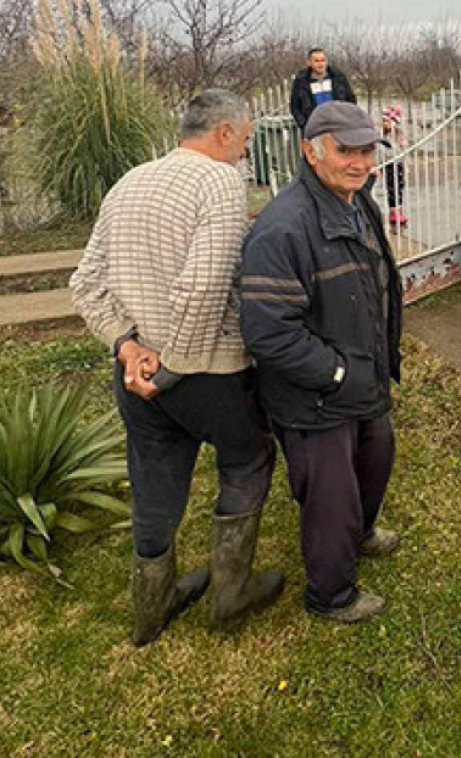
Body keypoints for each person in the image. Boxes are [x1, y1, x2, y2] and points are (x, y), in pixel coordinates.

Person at [69, 89, 284, 646]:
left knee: (154, 479)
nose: (245, 150)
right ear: (222, 134)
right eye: (245, 138)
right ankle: (232, 594)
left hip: (136, 379)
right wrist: (172, 366)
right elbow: (205, 284)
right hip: (209, 374)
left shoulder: (128, 181)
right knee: (249, 458)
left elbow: (85, 284)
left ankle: (152, 606)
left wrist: (127, 349)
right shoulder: (219, 182)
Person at [239, 101, 403, 624]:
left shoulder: (357, 203)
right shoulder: (283, 229)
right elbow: (269, 332)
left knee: (376, 454)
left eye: (366, 150)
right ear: (312, 153)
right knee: (330, 490)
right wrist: (335, 373)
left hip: (362, 373)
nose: (359, 162)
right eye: (345, 150)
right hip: (314, 392)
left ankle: (359, 533)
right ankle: (330, 595)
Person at [289, 47, 356, 130]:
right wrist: (304, 125)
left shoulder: (338, 77)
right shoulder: (301, 81)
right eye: (316, 61)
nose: (320, 64)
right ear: (309, 62)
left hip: (339, 126)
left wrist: (347, 120)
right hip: (314, 128)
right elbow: (294, 106)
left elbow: (351, 100)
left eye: (323, 60)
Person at [382, 104, 408, 227]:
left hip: (399, 161)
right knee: (392, 187)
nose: (385, 123)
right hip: (390, 162)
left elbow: (402, 144)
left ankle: (399, 210)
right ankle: (393, 211)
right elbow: (385, 150)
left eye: (387, 121)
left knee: (400, 186)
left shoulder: (397, 133)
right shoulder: (385, 137)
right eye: (384, 121)